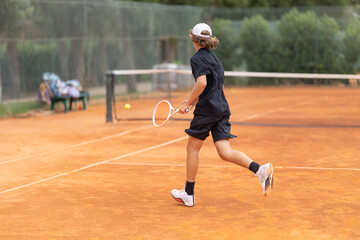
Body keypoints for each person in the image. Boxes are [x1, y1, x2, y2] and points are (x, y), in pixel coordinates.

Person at [171, 23, 274, 207]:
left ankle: (188, 193)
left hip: (207, 111)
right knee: (225, 152)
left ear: (193, 39)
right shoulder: (216, 60)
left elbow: (202, 83)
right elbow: (213, 87)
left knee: (192, 149)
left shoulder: (196, 59)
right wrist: (192, 102)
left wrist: (187, 102)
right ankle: (260, 170)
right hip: (221, 109)